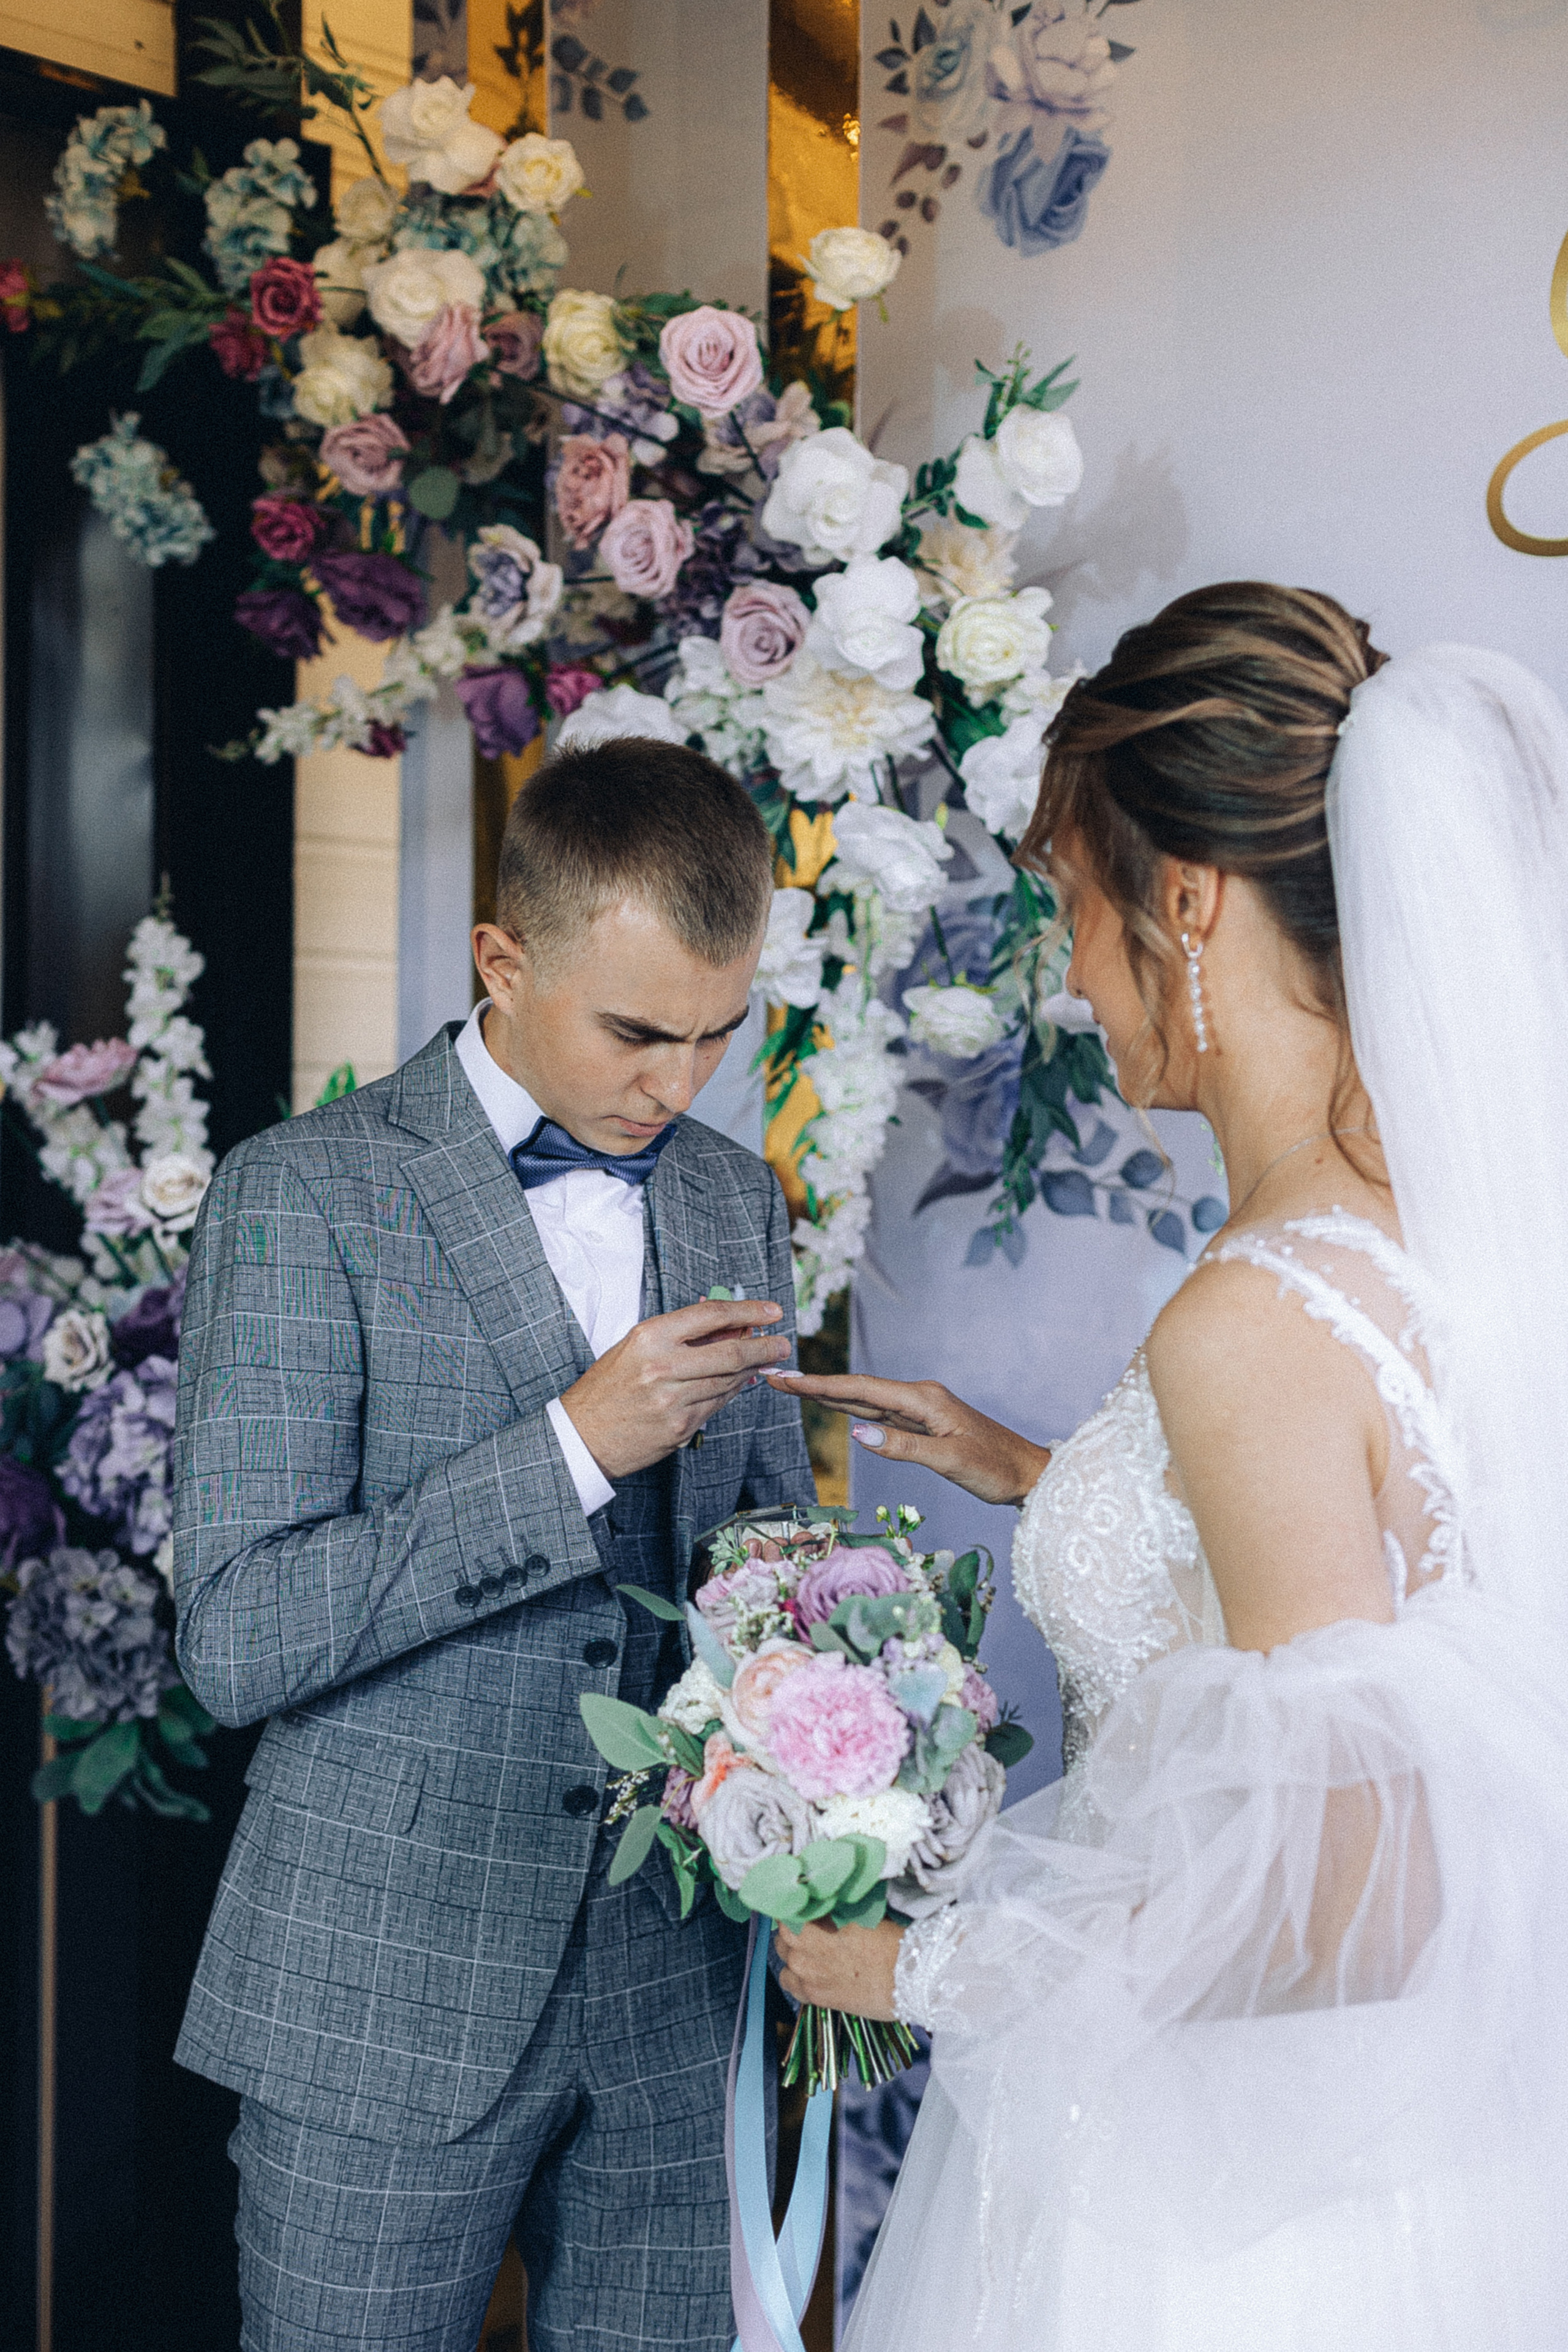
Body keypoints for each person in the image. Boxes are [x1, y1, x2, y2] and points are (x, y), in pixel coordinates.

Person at [770, 584, 1568, 2350]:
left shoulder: (1248, 1319)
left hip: (1231, 2217)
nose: (1063, 971)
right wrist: (1051, 1474)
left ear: (1186, 903)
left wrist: (930, 1968)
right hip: (1439, 2169)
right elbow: (1371, 1598)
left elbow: (1354, 1903)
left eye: (1072, 907)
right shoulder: (1439, 1244)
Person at [170, 739, 815, 2352]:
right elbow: (238, 1637)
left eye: (717, 1037)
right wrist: (574, 1452)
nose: (677, 1086)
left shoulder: (737, 1199)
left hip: (677, 1997)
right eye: (637, 1032)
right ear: (502, 961)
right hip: (383, 1990)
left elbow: (756, 1561)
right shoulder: (298, 1197)